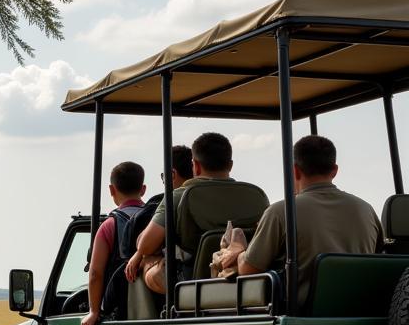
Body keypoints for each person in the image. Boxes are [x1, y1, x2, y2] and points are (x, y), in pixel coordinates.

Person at [222, 134, 383, 309]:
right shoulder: (366, 210)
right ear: (335, 170)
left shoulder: (281, 212)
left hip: (302, 313)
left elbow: (248, 269)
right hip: (360, 311)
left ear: (295, 171)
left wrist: (238, 252)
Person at [125, 132, 234, 294]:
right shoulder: (256, 197)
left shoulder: (178, 196)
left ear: (195, 166)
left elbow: (146, 245)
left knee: (146, 261)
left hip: (191, 280)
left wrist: (140, 254)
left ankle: (156, 314)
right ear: (230, 165)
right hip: (237, 275)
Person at [82, 162, 146, 325]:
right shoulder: (157, 220)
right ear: (143, 189)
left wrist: (94, 311)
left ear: (111, 189)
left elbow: (95, 273)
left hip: (120, 309)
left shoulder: (109, 225)